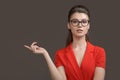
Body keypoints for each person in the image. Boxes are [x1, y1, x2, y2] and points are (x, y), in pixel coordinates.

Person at [24, 5, 106, 80]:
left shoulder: (99, 52)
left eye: (84, 22)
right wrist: (45, 54)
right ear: (69, 25)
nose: (80, 25)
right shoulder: (60, 54)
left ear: (88, 25)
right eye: (75, 21)